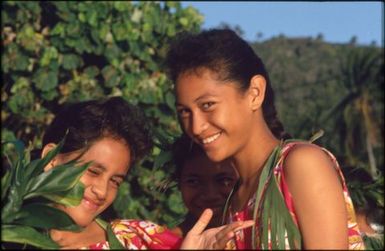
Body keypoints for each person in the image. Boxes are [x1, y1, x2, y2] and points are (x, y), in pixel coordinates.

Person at [165, 28, 366, 249]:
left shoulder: (300, 165)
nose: (196, 127)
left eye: (208, 105)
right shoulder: (233, 199)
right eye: (184, 111)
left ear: (254, 93)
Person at [41, 96, 253, 249]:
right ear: (51, 159)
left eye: (115, 180)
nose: (102, 190)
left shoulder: (137, 240)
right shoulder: (11, 230)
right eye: (94, 171)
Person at [170, 134, 239, 237]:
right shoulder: (164, 245)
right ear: (180, 183)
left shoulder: (263, 238)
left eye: (224, 180)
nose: (210, 195)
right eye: (193, 181)